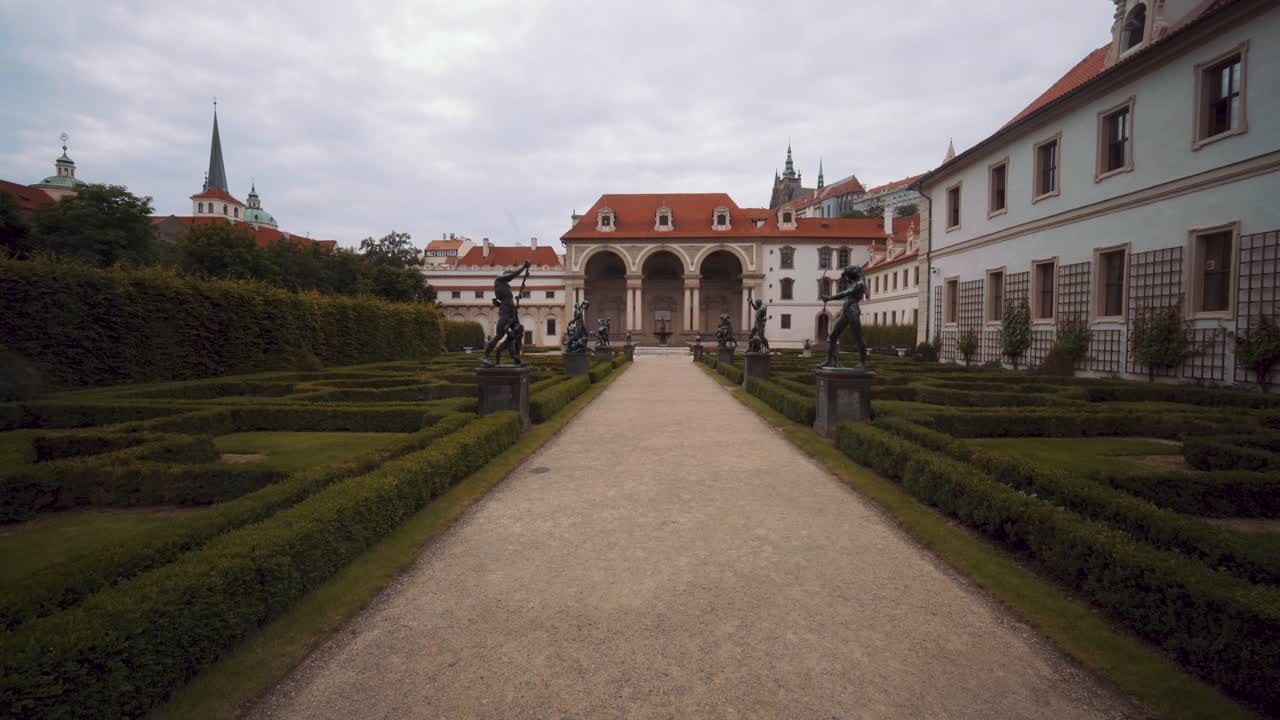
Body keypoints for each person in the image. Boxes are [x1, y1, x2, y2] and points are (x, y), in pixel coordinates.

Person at [819, 264, 869, 369]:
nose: (847, 277)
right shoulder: (854, 282)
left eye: (849, 273)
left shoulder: (860, 283)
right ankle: (828, 361)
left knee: (858, 337)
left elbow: (845, 293)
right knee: (833, 335)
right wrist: (843, 274)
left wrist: (829, 298)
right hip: (846, 309)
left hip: (853, 310)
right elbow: (845, 277)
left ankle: (863, 362)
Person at [481, 260, 530, 366]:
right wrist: (523, 268)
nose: (509, 273)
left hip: (512, 311)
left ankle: (517, 359)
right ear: (504, 275)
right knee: (499, 335)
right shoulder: (499, 280)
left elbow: (506, 298)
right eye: (508, 272)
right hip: (506, 311)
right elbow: (512, 275)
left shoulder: (507, 286)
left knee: (518, 333)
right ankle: (484, 356)